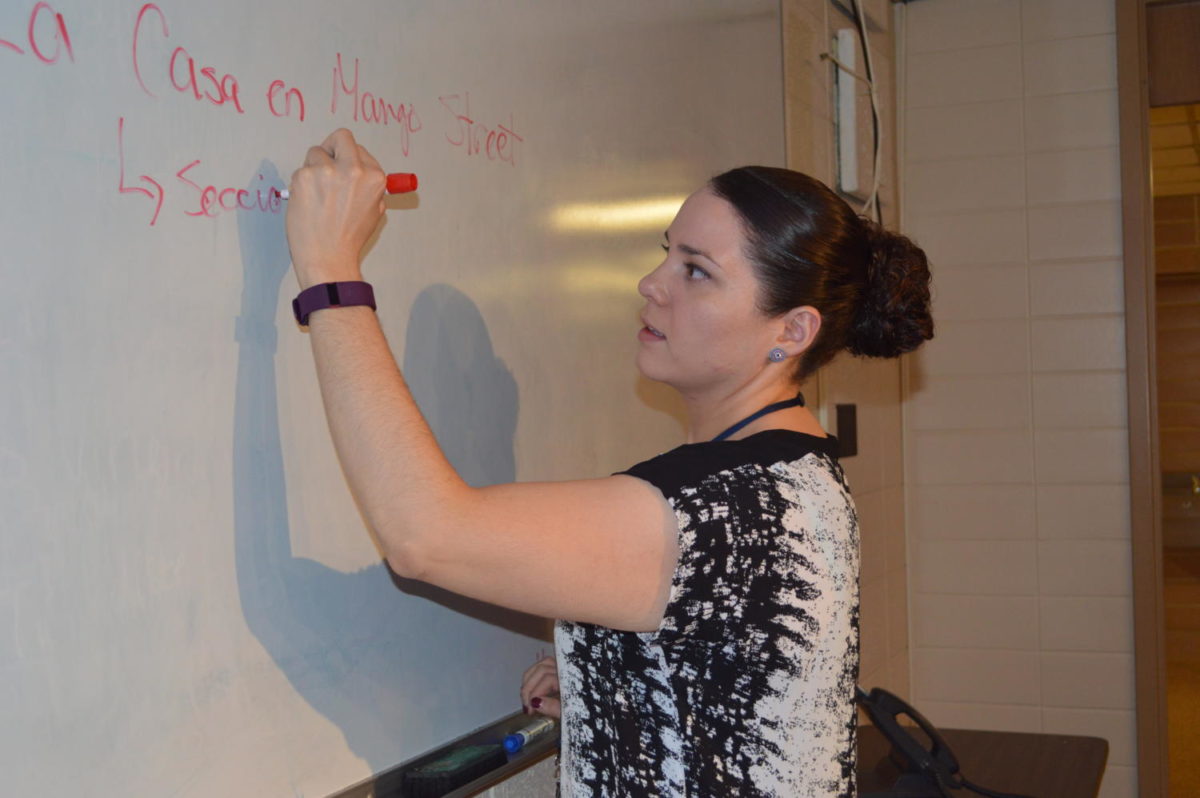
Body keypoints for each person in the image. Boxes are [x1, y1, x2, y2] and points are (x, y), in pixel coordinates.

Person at [283, 128, 933, 797]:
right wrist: (622, 679)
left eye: (697, 271)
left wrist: (331, 272)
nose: (652, 284)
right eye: (667, 255)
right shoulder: (799, 476)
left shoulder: (726, 509)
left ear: (790, 331)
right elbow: (730, 657)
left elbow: (424, 536)